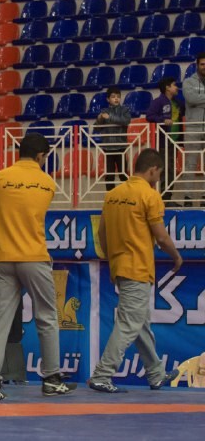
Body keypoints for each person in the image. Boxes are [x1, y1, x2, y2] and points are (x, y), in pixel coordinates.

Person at [0, 133, 75, 401]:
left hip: (3, 258)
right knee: (47, 317)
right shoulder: (48, 183)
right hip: (34, 258)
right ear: (41, 156)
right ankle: (52, 379)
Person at [88, 148, 182, 393]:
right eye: (159, 174)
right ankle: (102, 375)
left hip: (120, 266)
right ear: (153, 169)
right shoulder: (150, 196)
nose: (158, 179)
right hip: (138, 268)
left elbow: (102, 233)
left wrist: (112, 259)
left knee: (139, 322)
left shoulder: (113, 195)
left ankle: (156, 373)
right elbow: (161, 237)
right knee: (130, 323)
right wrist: (176, 256)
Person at [146, 77, 184, 203]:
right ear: (167, 87)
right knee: (165, 169)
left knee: (171, 169)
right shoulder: (158, 101)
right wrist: (162, 120)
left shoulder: (177, 102)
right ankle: (163, 198)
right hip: (164, 141)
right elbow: (149, 115)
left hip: (174, 141)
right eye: (174, 85)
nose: (176, 87)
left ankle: (167, 198)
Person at [95, 86, 132, 192]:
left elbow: (126, 121)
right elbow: (96, 128)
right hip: (108, 148)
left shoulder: (124, 110)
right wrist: (99, 119)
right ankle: (110, 196)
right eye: (113, 97)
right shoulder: (104, 111)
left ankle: (127, 195)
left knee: (123, 174)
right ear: (108, 99)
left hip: (121, 147)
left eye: (118, 97)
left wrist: (109, 117)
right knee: (109, 176)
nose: (116, 99)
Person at [181, 52, 205, 206]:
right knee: (190, 164)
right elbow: (191, 99)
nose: (204, 67)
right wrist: (196, 99)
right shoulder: (188, 82)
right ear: (197, 65)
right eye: (202, 64)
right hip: (193, 128)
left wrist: (199, 99)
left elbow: (196, 99)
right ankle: (188, 197)